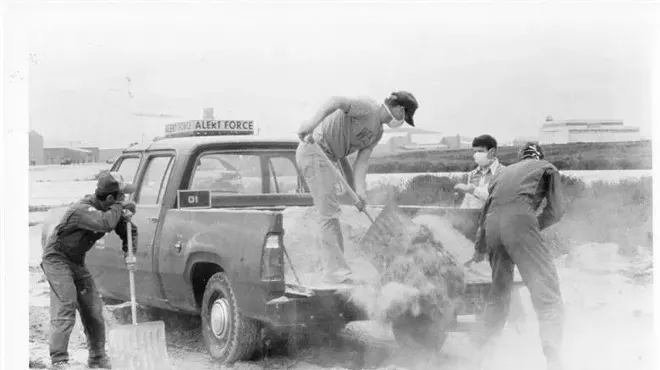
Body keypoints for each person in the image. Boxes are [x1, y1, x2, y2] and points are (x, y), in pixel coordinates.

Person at [296, 91, 419, 285]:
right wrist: (311, 125)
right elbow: (335, 100)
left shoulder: (377, 133)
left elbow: (361, 164)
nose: (402, 121)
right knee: (329, 213)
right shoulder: (366, 107)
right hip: (314, 151)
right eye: (405, 116)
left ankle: (335, 268)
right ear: (399, 109)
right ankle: (335, 272)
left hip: (330, 158)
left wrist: (360, 194)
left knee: (331, 212)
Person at [469, 142, 566, 370]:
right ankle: (553, 359)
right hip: (520, 223)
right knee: (547, 293)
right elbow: (557, 211)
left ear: (520, 157)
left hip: (492, 228)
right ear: (539, 156)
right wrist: (530, 227)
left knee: (498, 295)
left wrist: (478, 248)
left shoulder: (502, 174)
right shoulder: (547, 167)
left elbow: (485, 214)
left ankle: (480, 357)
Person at [41, 171, 139, 369]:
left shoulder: (110, 211)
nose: (125, 199)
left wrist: (130, 252)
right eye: (121, 197)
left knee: (93, 309)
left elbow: (129, 230)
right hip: (56, 259)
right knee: (67, 304)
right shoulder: (82, 210)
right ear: (110, 198)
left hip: (76, 261)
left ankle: (97, 358)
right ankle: (59, 360)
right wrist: (121, 207)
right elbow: (105, 222)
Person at [454, 134, 505, 209]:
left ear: (492, 152)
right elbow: (468, 200)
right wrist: (460, 215)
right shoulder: (473, 174)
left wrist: (473, 190)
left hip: (493, 218)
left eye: (480, 151)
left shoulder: (503, 172)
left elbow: (497, 197)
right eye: (475, 151)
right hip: (473, 218)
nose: (476, 154)